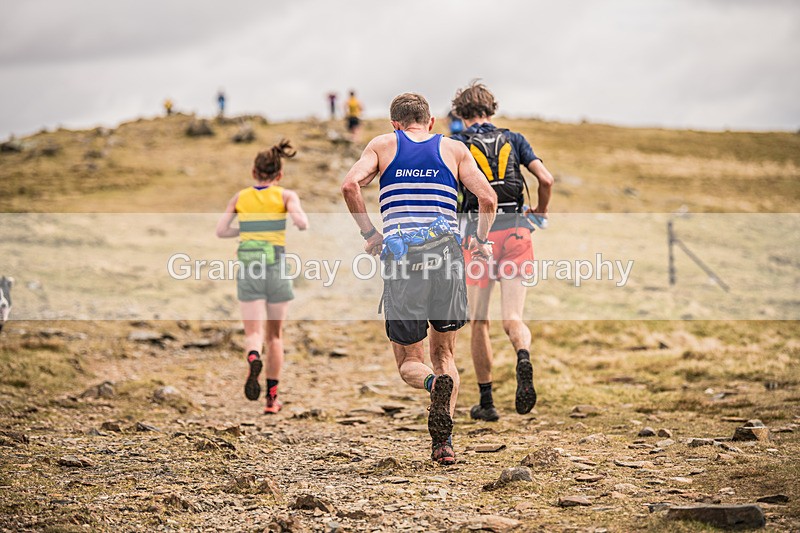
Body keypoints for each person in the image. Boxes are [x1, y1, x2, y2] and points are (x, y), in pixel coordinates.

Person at [341, 93, 497, 465]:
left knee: (411, 360)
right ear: (430, 123)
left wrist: (370, 235)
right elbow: (488, 198)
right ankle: (444, 444)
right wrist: (479, 240)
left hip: (403, 259)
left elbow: (350, 186)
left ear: (395, 124)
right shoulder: (454, 149)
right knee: (444, 354)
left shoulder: (382, 145)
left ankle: (430, 385)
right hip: (446, 255)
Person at [450, 82, 554, 422]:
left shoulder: (457, 145)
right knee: (513, 319)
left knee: (479, 321)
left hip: (478, 241)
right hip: (517, 234)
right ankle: (522, 354)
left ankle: (487, 402)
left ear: (460, 115)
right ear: (491, 111)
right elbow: (546, 179)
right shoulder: (515, 139)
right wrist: (539, 210)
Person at [216, 140, 309, 414]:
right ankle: (271, 399)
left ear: (253, 172)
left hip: (249, 267)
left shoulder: (240, 197)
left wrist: (245, 232)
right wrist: (291, 220)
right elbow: (302, 223)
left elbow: (221, 231)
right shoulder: (285, 195)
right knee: (275, 336)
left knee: (254, 332)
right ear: (279, 175)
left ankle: (253, 355)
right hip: (276, 265)